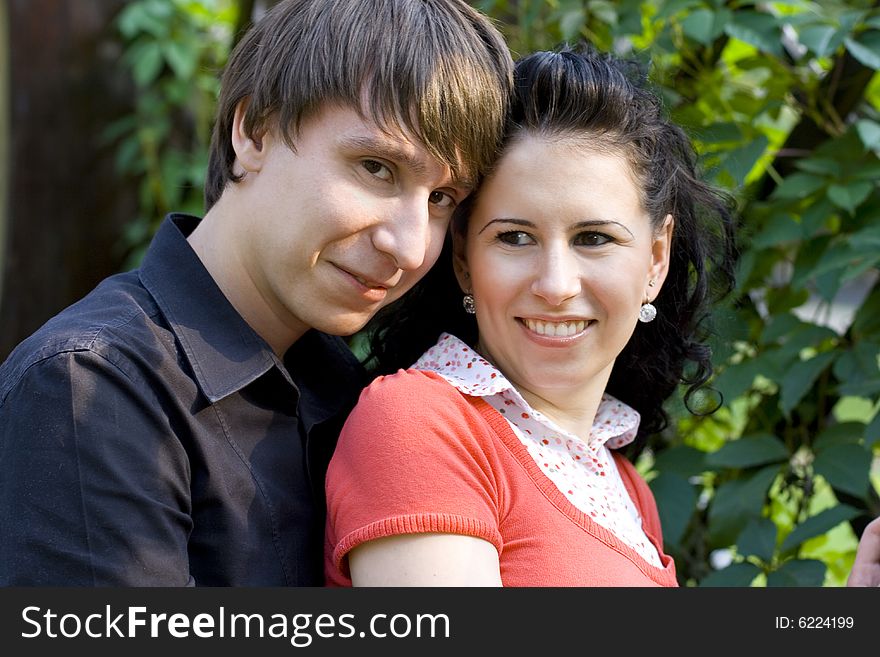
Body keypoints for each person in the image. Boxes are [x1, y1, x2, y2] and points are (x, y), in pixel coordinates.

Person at [0, 0, 513, 586]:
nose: (410, 245)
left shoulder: (361, 394)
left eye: (442, 199)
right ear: (254, 130)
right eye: (376, 168)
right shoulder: (92, 386)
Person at [326, 45, 880, 588]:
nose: (556, 285)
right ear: (466, 260)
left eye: (594, 238)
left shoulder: (625, 488)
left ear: (655, 260)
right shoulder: (418, 424)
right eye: (515, 238)